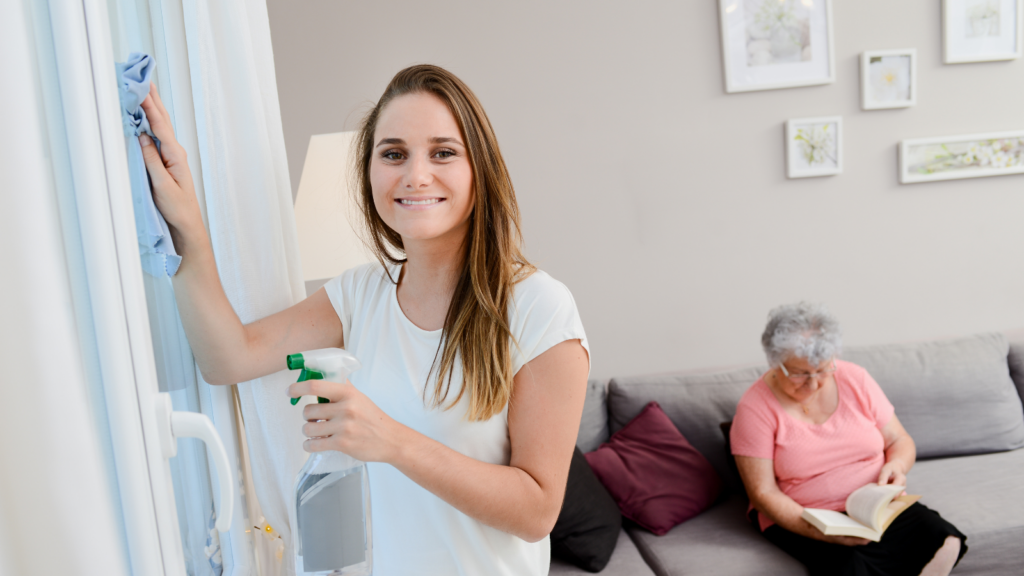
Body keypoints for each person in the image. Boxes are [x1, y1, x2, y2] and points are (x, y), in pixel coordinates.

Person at [138, 64, 590, 575]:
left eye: (443, 152)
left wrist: (389, 439)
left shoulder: (538, 307)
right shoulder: (359, 293)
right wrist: (187, 224)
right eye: (393, 154)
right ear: (370, 172)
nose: (416, 175)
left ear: (479, 169)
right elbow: (228, 356)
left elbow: (536, 511)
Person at [730, 302, 967, 576]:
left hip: (875, 508)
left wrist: (897, 467)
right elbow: (762, 493)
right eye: (799, 374)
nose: (814, 383)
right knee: (849, 567)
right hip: (807, 516)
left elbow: (899, 440)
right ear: (775, 362)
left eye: (822, 370)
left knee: (944, 539)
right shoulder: (754, 409)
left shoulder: (854, 378)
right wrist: (819, 532)